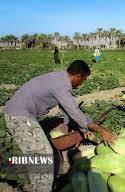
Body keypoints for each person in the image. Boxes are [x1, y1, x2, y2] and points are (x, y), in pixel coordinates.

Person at [4, 60, 116, 192]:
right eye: (83, 80)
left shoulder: (60, 78)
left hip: (19, 112)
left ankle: (18, 169)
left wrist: (79, 126)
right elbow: (74, 110)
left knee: (35, 151)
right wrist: (100, 130)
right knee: (43, 154)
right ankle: (40, 188)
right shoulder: (61, 86)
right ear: (78, 75)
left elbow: (66, 108)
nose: (81, 84)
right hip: (19, 116)